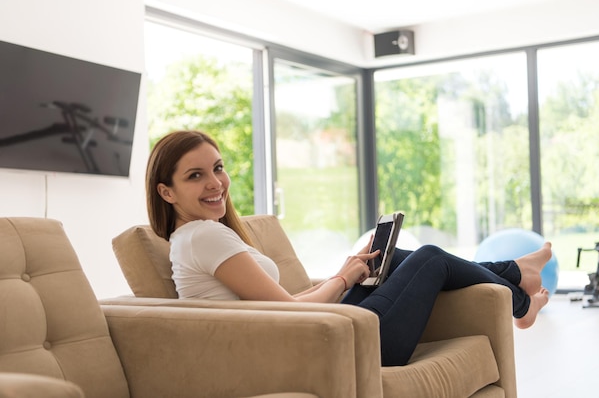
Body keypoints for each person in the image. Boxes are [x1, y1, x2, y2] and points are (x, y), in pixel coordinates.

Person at [146, 129, 551, 367]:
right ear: (166, 191)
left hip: (309, 334)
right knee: (429, 257)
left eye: (217, 167)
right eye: (195, 175)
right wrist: (342, 278)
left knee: (390, 259)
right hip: (321, 347)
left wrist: (346, 274)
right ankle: (519, 293)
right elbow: (286, 314)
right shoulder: (204, 236)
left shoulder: (198, 236)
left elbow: (278, 304)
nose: (215, 183)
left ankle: (516, 276)